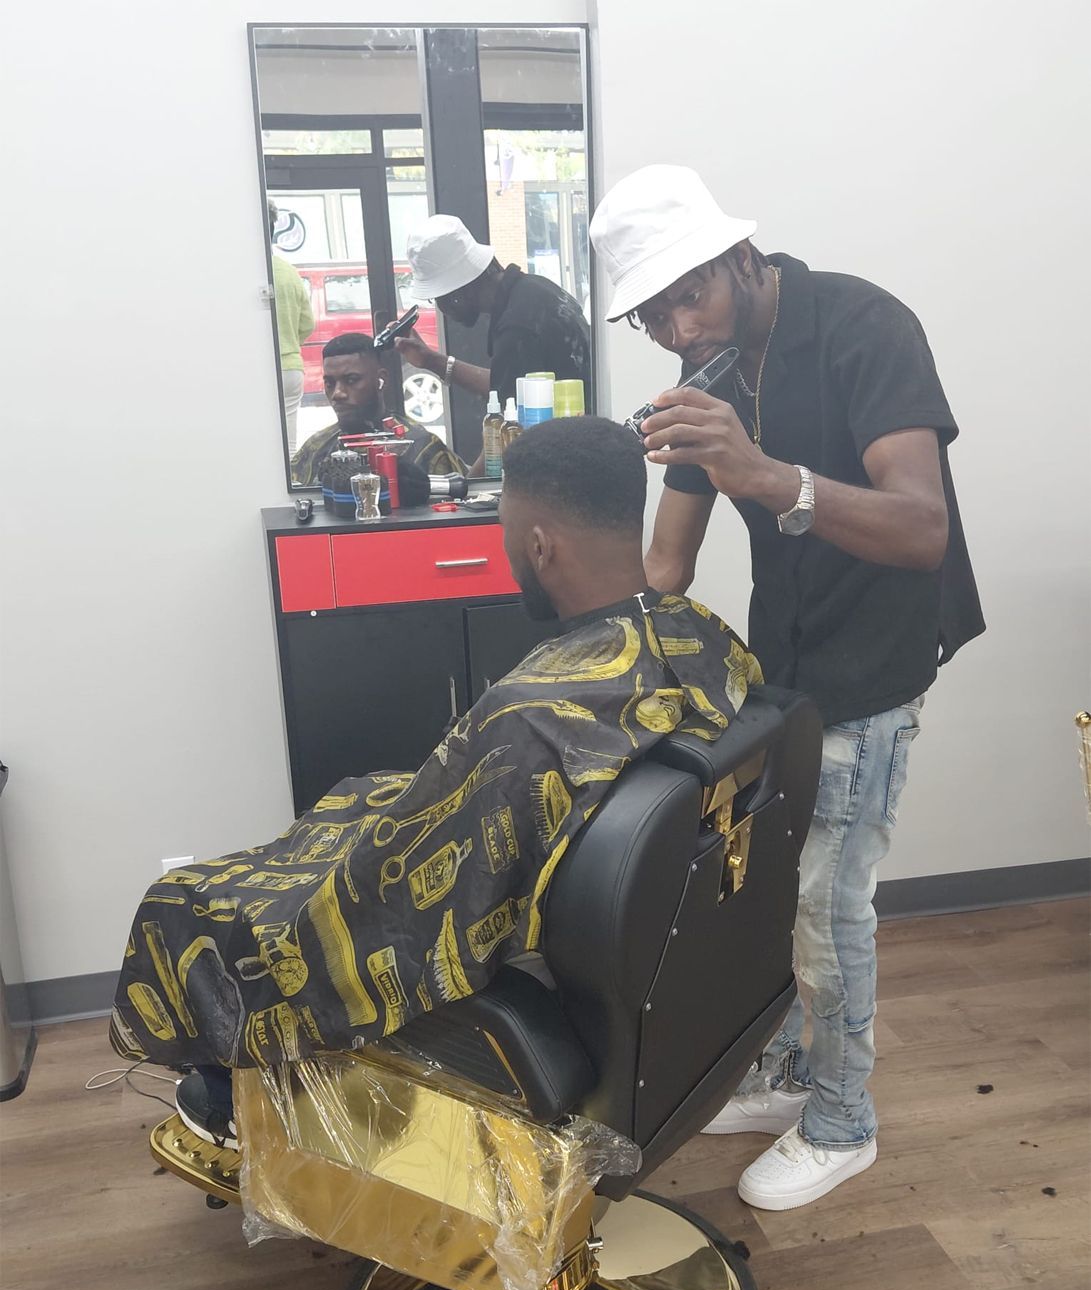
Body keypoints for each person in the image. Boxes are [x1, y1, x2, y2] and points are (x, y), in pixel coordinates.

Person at [109, 415, 762, 1145]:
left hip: (531, 936)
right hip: (654, 945)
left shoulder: (530, 716)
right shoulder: (699, 633)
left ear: (540, 545)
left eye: (510, 535)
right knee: (353, 798)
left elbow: (396, 920)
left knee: (183, 901)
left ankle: (233, 1093)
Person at [590, 164, 985, 1212]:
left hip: (878, 652)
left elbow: (921, 527)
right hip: (785, 665)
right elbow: (664, 567)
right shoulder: (709, 379)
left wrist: (764, 477)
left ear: (741, 257)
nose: (677, 327)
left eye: (690, 294)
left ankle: (842, 1119)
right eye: (652, 313)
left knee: (826, 895)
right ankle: (802, 1069)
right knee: (774, 883)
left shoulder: (863, 325)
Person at [395, 215, 592, 416]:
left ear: (458, 292)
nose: (441, 307)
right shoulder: (535, 289)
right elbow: (507, 384)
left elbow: (510, 409)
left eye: (438, 297)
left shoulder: (517, 326)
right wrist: (430, 360)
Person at [291, 332, 464, 489]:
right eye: (330, 383)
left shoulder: (422, 446)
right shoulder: (316, 447)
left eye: (351, 380)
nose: (338, 393)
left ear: (381, 380)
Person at [268, 201, 315, 454]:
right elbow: (308, 323)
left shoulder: (244, 273)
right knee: (289, 443)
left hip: (256, 370)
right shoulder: (288, 272)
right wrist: (289, 341)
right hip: (290, 368)